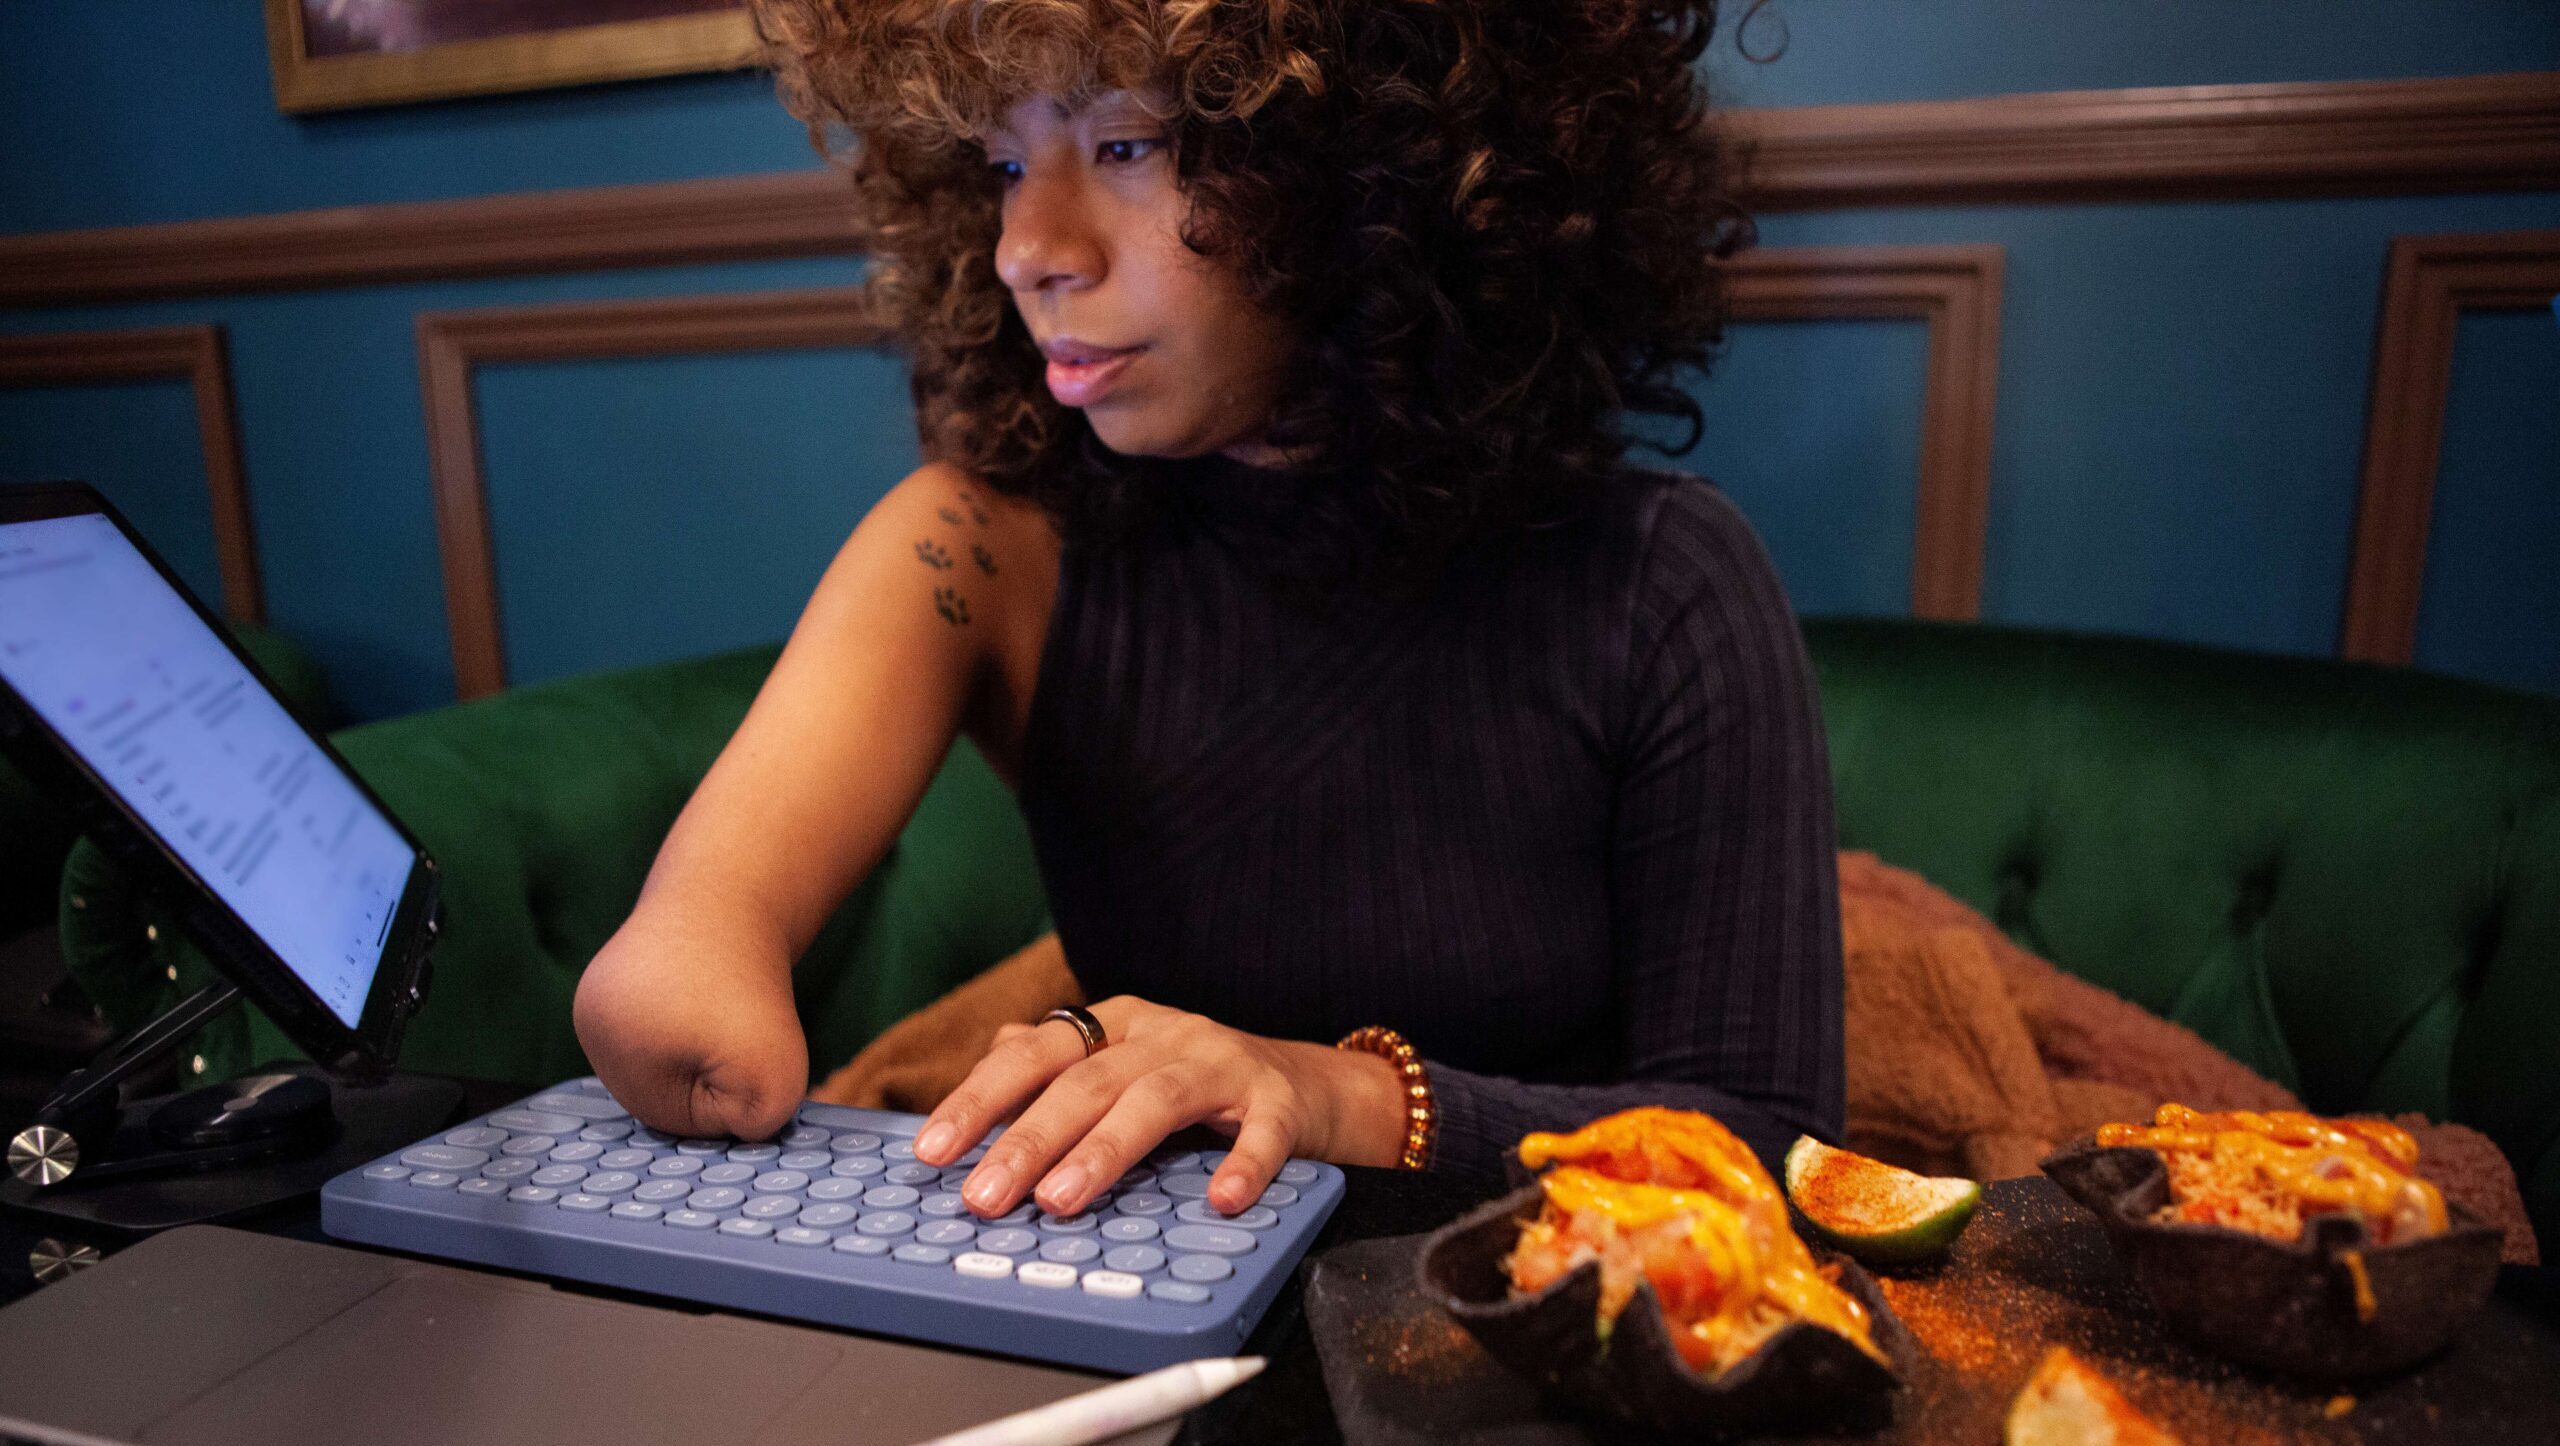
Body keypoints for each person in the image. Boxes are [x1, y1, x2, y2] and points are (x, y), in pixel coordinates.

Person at [572, 0, 1843, 1225]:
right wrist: (690, 959)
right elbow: (706, 919)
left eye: (1126, 147)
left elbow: (1770, 1145)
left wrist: (1329, 1094)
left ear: (1368, 178)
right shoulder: (988, 544)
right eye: (1007, 163)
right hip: (1143, 1318)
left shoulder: (1666, 581)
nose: (1031, 247)